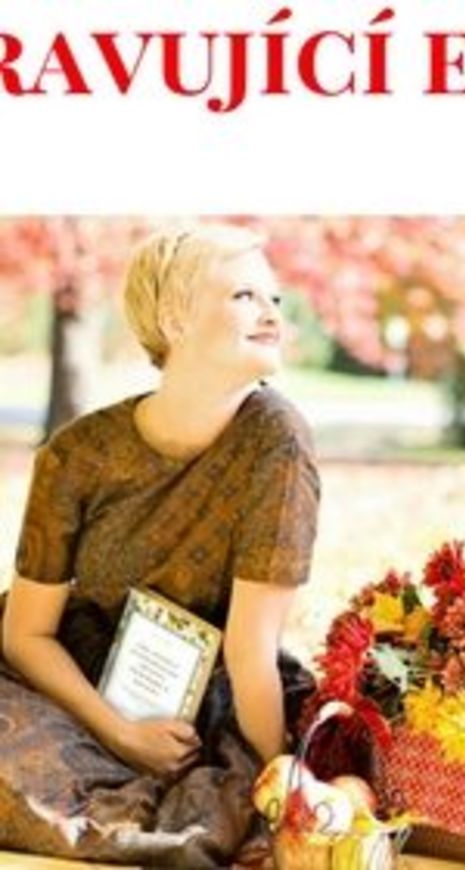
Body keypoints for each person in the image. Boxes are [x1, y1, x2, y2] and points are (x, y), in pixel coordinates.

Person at [0, 222, 320, 867]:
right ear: (174, 319)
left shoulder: (276, 440)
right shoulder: (75, 454)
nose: (271, 315)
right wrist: (117, 730)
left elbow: (250, 649)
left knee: (214, 807)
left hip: (208, 703)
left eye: (274, 299)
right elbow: (25, 633)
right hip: (71, 689)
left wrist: (274, 796)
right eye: (244, 296)